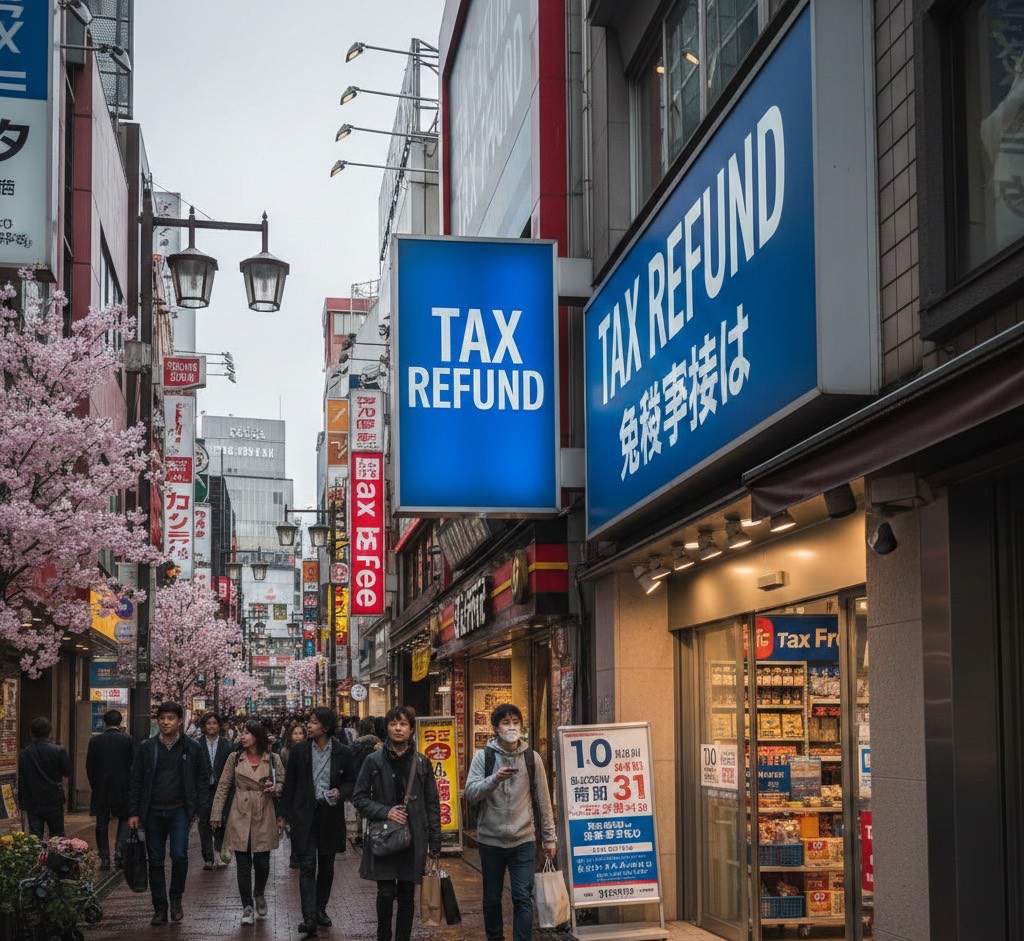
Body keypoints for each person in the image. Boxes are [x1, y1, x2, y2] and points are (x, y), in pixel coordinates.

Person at [465, 703, 557, 941]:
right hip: (491, 840)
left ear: (521, 726)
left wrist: (549, 838)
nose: (511, 727)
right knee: (492, 898)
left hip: (523, 840)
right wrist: (494, 779)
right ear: (495, 727)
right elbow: (471, 793)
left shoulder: (532, 758)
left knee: (522, 897)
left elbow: (544, 801)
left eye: (515, 722)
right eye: (506, 722)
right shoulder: (482, 757)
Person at [353, 706, 442, 941]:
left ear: (412, 729)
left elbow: (432, 802)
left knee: (406, 895)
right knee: (384, 893)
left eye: (403, 724)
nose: (398, 728)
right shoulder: (373, 761)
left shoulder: (422, 762)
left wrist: (435, 842)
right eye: (393, 724)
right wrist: (386, 811)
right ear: (387, 728)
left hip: (414, 838)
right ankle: (384, 936)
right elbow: (359, 797)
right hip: (384, 837)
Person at [127, 701, 210, 926]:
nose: (166, 722)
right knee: (155, 860)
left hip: (180, 811)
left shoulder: (192, 748)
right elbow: (136, 780)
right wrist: (133, 811)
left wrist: (200, 809)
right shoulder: (147, 747)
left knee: (180, 855)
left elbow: (203, 779)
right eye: (162, 718)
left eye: (171, 718)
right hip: (152, 812)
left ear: (180, 721)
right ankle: (160, 907)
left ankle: (176, 898)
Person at [279, 707, 357, 937]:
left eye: (313, 722)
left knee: (326, 866)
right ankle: (309, 917)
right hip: (304, 815)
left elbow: (351, 781)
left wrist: (339, 793)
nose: (308, 726)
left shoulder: (343, 752)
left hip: (329, 816)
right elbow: (290, 784)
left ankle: (321, 909)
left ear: (325, 727)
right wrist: (283, 814)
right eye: (308, 722)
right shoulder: (300, 751)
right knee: (306, 866)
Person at [210, 719, 286, 925]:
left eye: (247, 733)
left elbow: (283, 782)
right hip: (240, 811)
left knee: (262, 861)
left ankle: (259, 892)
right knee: (242, 863)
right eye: (242, 732)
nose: (242, 736)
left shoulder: (272, 758)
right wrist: (216, 814)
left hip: (264, 810)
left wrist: (275, 788)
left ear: (257, 736)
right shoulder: (235, 758)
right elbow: (224, 785)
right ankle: (247, 906)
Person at [86, 709, 134, 870]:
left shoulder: (95, 741)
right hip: (123, 788)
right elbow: (132, 765)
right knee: (123, 820)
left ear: (105, 723)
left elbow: (90, 767)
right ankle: (119, 853)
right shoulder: (128, 740)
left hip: (101, 789)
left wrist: (95, 785)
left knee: (101, 824)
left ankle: (104, 858)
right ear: (120, 723)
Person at [17, 716, 71, 840]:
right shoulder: (58, 750)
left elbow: (22, 779)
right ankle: (56, 859)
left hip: (32, 800)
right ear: (50, 731)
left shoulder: (24, 753)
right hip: (54, 799)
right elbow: (67, 771)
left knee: (35, 837)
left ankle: (37, 859)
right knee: (58, 836)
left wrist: (21, 801)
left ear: (32, 733)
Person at [197, 711, 233, 869]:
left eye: (214, 723)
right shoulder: (197, 744)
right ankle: (208, 857)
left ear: (219, 726)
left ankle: (219, 849)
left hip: (221, 789)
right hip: (203, 790)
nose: (211, 726)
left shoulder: (226, 744)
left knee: (221, 820)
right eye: (208, 724)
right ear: (204, 726)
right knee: (204, 822)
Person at [349, 716, 382, 850]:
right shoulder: (377, 742)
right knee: (371, 806)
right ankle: (369, 834)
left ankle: (359, 833)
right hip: (374, 777)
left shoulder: (357, 742)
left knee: (360, 807)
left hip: (358, 777)